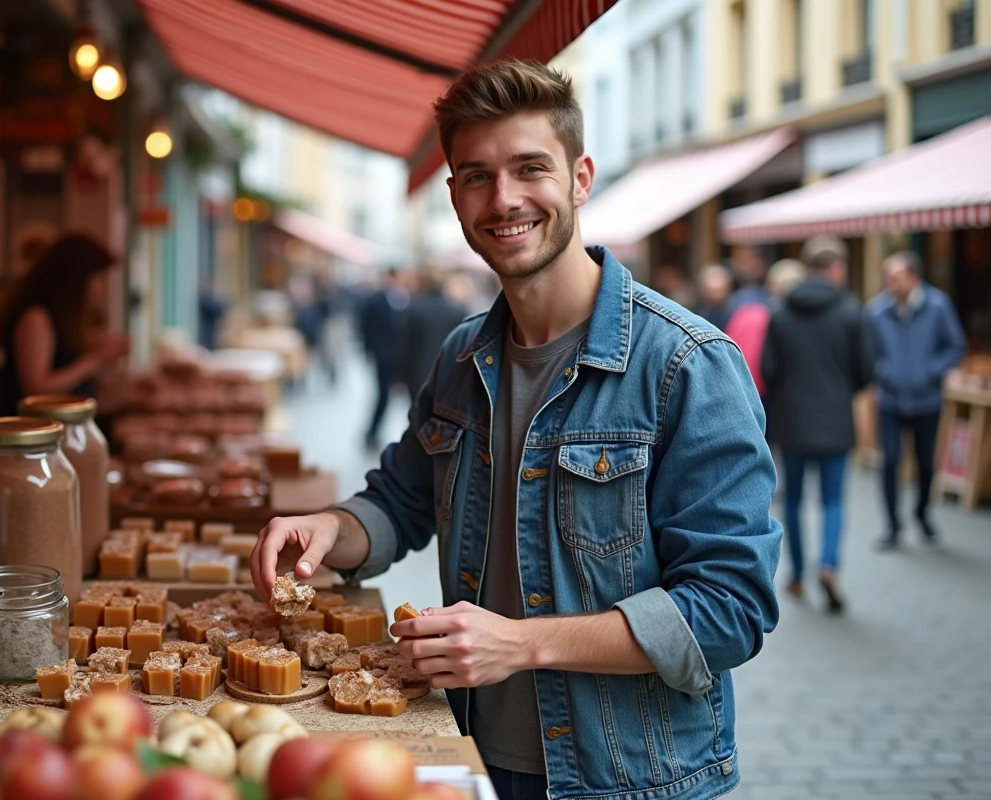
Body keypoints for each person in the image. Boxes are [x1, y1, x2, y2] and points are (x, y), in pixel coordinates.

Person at [251, 60, 780, 800]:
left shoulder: (688, 366)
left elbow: (731, 608)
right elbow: (399, 504)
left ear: (580, 178)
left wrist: (520, 644)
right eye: (477, 176)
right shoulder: (462, 355)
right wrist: (326, 527)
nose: (504, 200)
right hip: (469, 757)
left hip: (627, 781)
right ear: (454, 196)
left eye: (530, 168)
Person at [761, 238, 874, 612]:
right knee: (832, 500)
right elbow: (865, 371)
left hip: (792, 421)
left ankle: (795, 575)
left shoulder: (780, 312)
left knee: (793, 499)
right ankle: (828, 565)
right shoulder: (850, 311)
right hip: (836, 420)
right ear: (837, 269)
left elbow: (768, 370)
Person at [867, 251, 966, 548]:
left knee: (925, 462)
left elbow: (955, 345)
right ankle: (893, 525)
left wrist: (929, 372)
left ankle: (922, 513)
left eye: (897, 279)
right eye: (888, 279)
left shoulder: (938, 306)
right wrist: (883, 372)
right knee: (891, 461)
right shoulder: (876, 311)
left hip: (926, 400)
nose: (891, 285)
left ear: (914, 278)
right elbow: (868, 353)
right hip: (891, 400)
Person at [1, 234, 129, 416]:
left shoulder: (66, 318)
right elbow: (35, 388)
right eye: (99, 279)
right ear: (75, 279)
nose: (104, 289)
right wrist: (95, 359)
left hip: (68, 428)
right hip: (39, 434)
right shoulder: (36, 317)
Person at [359, 268, 411, 449]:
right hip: (382, 355)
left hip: (400, 356)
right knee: (383, 395)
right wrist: (370, 350)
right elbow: (366, 327)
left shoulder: (407, 299)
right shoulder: (376, 300)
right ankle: (371, 433)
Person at [400, 268, 470, 399]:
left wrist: (400, 375)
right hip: (448, 375)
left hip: (418, 374)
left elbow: (406, 347)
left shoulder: (414, 309)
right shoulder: (457, 311)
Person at [695, 263, 735, 330]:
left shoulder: (736, 312)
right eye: (712, 291)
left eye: (719, 291)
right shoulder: (701, 312)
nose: (716, 296)